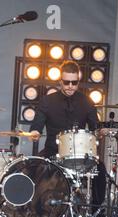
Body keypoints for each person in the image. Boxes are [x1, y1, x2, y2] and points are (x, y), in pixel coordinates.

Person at [28, 60, 106, 207]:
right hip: (52, 151)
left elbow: (95, 126)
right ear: (60, 81)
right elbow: (37, 123)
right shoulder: (47, 101)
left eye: (74, 82)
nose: (70, 86)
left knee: (100, 169)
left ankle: (96, 211)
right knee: (34, 167)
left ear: (78, 81)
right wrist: (35, 131)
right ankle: (37, 210)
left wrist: (100, 131)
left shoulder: (86, 101)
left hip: (80, 155)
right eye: (66, 82)